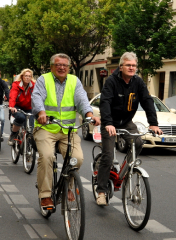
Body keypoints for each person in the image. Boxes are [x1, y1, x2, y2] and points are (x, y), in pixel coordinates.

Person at [32, 53, 101, 209]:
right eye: (58, 65)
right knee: (47, 156)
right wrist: (41, 112)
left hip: (68, 130)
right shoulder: (44, 80)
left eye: (65, 65)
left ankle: (67, 186)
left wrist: (90, 115)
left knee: (77, 158)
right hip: (46, 128)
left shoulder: (74, 81)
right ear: (52, 67)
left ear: (69, 68)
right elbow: (37, 98)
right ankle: (45, 195)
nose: (62, 67)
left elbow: (82, 100)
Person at [96, 52, 163, 206]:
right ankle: (101, 191)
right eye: (128, 65)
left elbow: (147, 101)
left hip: (126, 122)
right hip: (110, 122)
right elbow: (105, 102)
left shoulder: (138, 82)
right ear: (121, 67)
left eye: (133, 65)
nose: (131, 68)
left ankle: (126, 171)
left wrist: (153, 123)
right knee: (107, 155)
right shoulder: (111, 81)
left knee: (138, 142)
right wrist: (108, 123)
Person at [8, 68, 35, 146]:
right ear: (22, 76)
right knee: (21, 117)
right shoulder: (16, 84)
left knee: (31, 126)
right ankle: (13, 134)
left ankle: (29, 142)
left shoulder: (33, 85)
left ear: (31, 77)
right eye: (26, 76)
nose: (27, 78)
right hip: (17, 106)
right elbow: (13, 95)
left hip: (29, 107)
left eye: (29, 76)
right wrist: (12, 106)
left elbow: (37, 97)